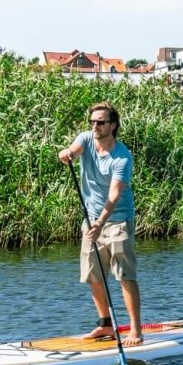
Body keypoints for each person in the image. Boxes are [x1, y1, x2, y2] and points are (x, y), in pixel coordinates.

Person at [57, 102, 144, 345]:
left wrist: (101, 222)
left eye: (101, 122)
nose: (95, 126)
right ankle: (105, 325)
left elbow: (115, 195)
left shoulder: (122, 157)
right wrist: (68, 154)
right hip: (91, 220)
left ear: (112, 125)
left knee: (125, 276)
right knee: (94, 275)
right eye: (92, 122)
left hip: (118, 221)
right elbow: (73, 149)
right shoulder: (85, 139)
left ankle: (135, 330)